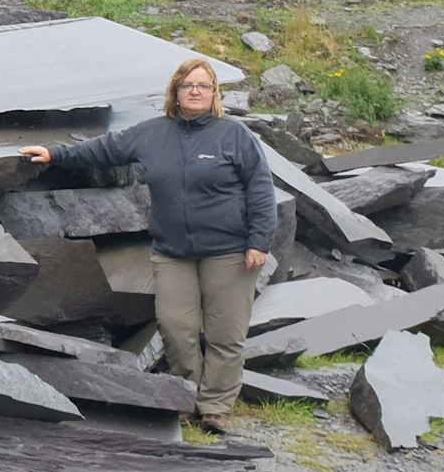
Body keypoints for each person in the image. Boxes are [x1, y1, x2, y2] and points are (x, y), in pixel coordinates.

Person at [16, 57, 273, 432]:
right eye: (189, 86)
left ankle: (216, 407)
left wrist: (259, 241)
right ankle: (186, 395)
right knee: (175, 327)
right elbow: (104, 149)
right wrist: (56, 153)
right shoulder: (152, 133)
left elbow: (260, 189)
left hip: (229, 252)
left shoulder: (234, 136)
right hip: (173, 253)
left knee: (225, 333)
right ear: (176, 92)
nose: (196, 92)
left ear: (215, 93)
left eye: (204, 86)